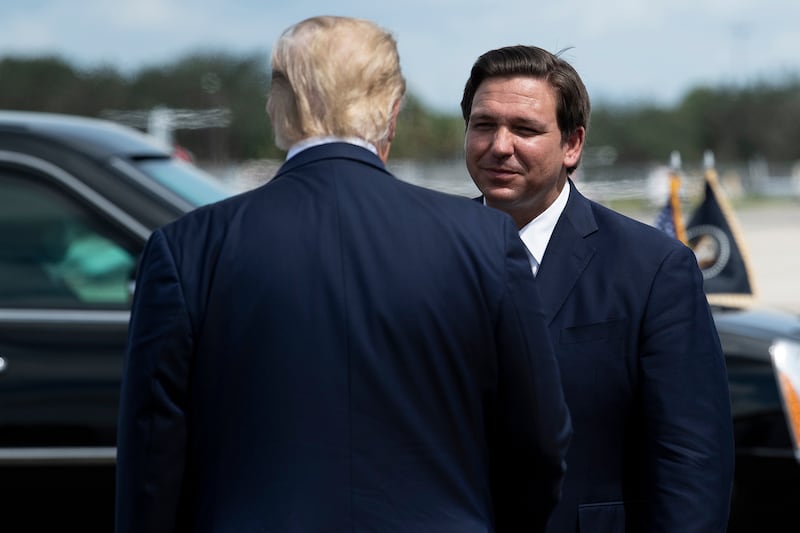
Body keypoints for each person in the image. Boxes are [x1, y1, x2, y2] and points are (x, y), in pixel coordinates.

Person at [115, 17, 572, 532]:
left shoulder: (186, 249)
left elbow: (151, 459)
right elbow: (539, 441)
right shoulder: (483, 241)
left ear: (278, 108)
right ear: (392, 112)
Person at [461, 45, 735, 532]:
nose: (499, 145)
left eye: (524, 129)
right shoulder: (424, 257)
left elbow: (691, 460)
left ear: (572, 145)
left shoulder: (653, 269)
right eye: (484, 125)